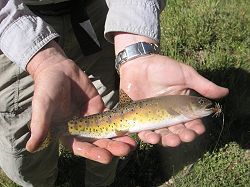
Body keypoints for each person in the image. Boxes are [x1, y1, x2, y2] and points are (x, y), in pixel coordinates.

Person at [0, 0, 229, 186]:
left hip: (97, 13)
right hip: (11, 28)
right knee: (24, 160)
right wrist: (42, 60)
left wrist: (136, 47)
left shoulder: (179, 106)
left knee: (108, 136)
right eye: (199, 102)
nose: (205, 104)